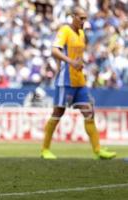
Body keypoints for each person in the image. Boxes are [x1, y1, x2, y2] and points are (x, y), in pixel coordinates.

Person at [41, 7, 116, 160]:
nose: (84, 21)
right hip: (66, 81)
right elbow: (55, 51)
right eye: (81, 18)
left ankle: (98, 150)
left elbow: (77, 55)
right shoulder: (65, 30)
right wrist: (69, 63)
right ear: (73, 17)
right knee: (58, 113)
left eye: (85, 18)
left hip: (79, 80)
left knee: (89, 113)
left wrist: (80, 63)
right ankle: (45, 150)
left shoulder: (81, 34)